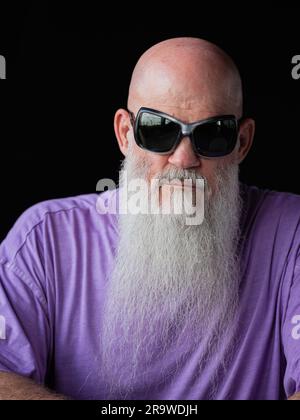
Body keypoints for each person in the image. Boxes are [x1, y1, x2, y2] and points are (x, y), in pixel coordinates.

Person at [0, 37, 299, 401]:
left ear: (242, 142)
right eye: (160, 130)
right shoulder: (45, 240)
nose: (184, 158)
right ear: (126, 134)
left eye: (212, 134)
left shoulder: (291, 232)